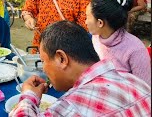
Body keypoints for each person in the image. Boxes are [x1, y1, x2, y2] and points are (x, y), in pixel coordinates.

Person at [9, 21, 151, 116]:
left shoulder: (68, 108)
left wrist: (29, 96)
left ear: (61, 58)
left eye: (43, 61)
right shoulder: (135, 81)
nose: (44, 69)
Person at [86, 0, 151, 85]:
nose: (85, 22)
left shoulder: (135, 49)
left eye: (87, 17)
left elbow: (144, 89)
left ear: (100, 23)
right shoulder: (95, 38)